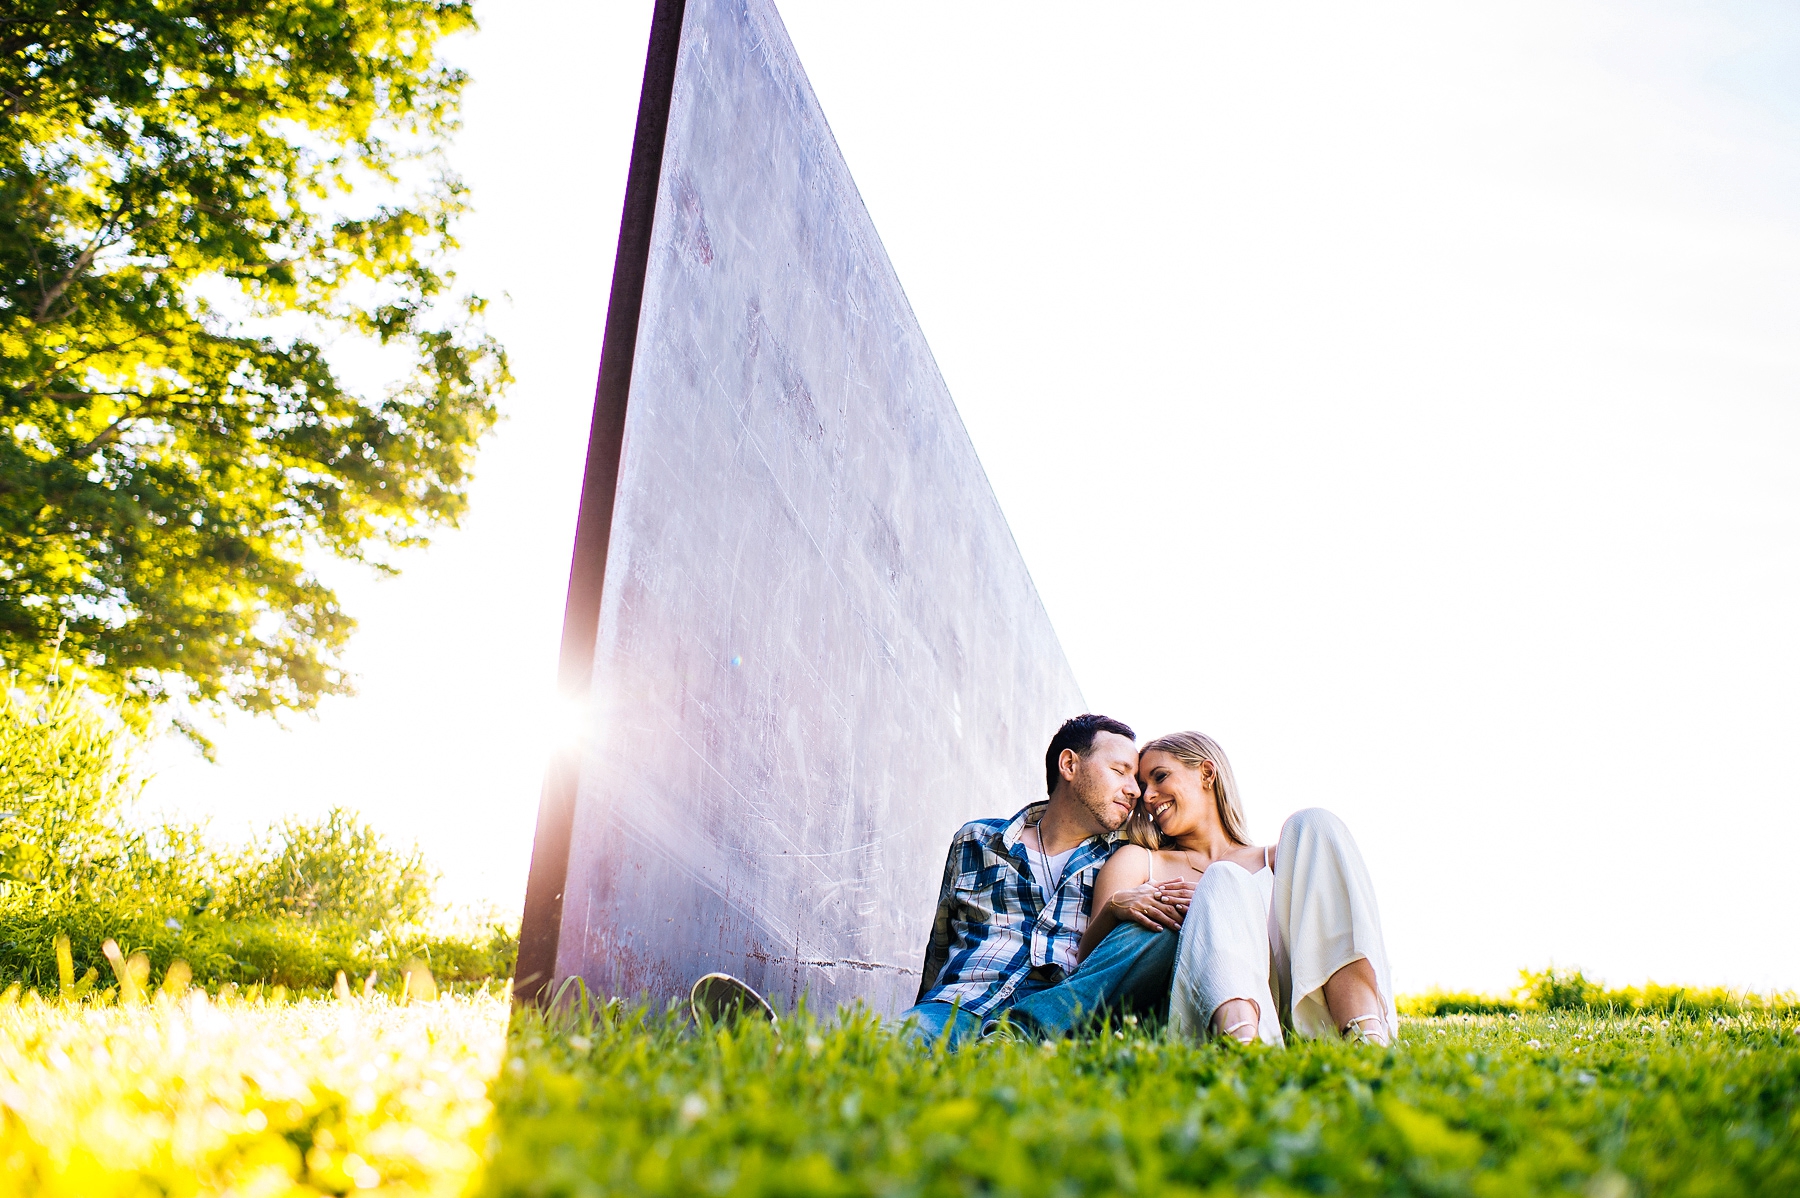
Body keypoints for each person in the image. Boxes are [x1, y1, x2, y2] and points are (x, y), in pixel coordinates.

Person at [900, 713, 1191, 1048]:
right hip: (956, 1005)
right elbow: (940, 944)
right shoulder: (977, 840)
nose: (1136, 791)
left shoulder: (1129, 859)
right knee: (878, 1051)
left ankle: (1010, 1044)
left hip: (1054, 1022)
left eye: (1135, 780)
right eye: (1119, 771)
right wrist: (922, 1012)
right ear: (1069, 765)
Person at [1096, 730, 1397, 1046]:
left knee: (1314, 823)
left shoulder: (1284, 857)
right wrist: (1117, 906)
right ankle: (1240, 1042)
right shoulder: (1140, 860)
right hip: (1199, 1003)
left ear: (1207, 774)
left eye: (1160, 777)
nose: (1146, 796)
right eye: (1143, 787)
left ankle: (1363, 1033)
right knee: (1223, 879)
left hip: (1297, 1002)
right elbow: (1091, 965)